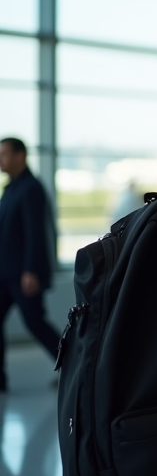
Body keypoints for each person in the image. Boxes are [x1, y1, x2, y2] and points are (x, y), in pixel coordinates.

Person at [0, 138, 59, 394]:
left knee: (36, 323)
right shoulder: (11, 188)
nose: (0, 159)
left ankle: (75, 367)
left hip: (22, 274)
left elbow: (36, 233)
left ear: (20, 155)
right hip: (6, 273)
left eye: (4, 154)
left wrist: (31, 270)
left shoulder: (30, 188)